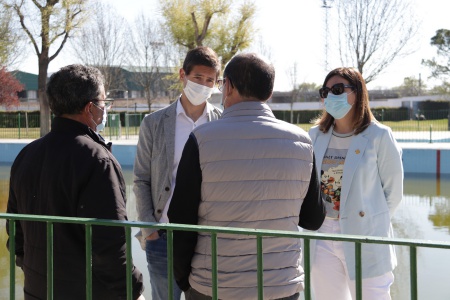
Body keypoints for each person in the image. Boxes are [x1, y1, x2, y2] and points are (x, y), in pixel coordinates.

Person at [168, 52, 326, 300]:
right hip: (281, 285)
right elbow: (313, 219)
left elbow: (180, 217)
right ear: (269, 94)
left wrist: (184, 279)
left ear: (228, 86)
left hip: (215, 284)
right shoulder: (302, 141)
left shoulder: (202, 139)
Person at [6, 64, 145, 300]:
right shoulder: (98, 160)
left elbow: (16, 236)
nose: (105, 108)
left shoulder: (26, 155)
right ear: (90, 108)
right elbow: (109, 246)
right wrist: (134, 291)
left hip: (37, 289)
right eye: (103, 101)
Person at [133, 46, 222, 300]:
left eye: (210, 81)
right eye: (198, 78)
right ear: (183, 75)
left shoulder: (221, 122)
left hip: (206, 237)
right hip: (162, 236)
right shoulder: (154, 122)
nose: (204, 85)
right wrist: (150, 227)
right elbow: (140, 178)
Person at [308, 67, 403, 300]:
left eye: (338, 89)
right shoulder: (314, 136)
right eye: (326, 91)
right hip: (322, 235)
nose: (331, 95)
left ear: (358, 92)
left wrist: (370, 220)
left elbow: (394, 193)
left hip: (365, 235)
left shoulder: (379, 136)